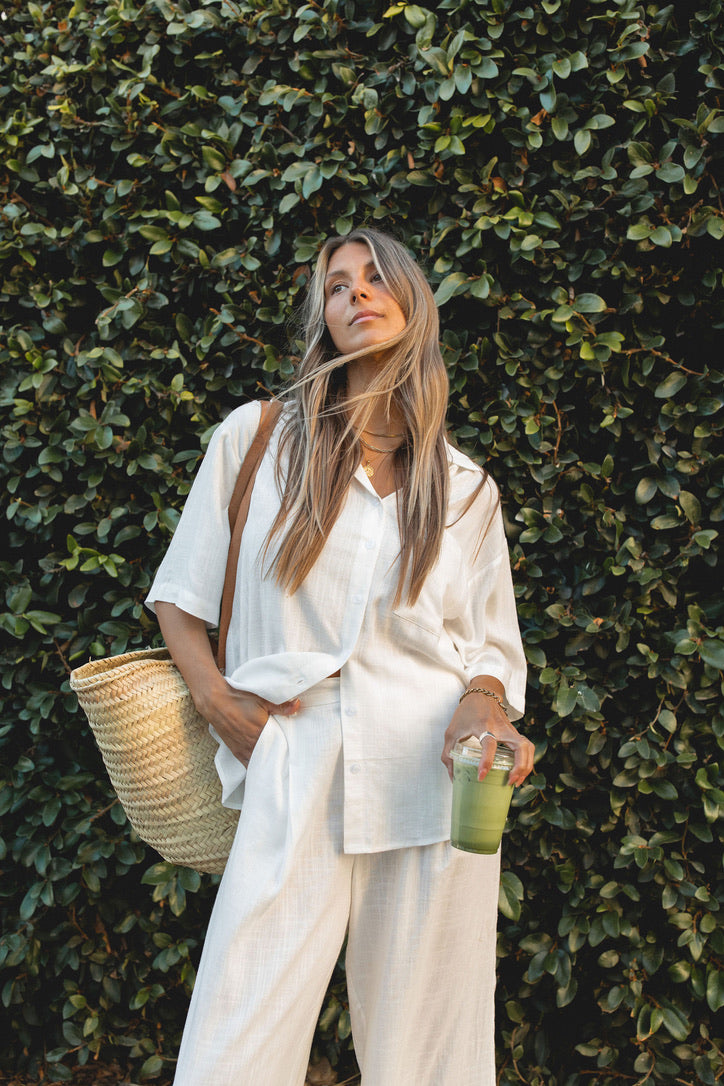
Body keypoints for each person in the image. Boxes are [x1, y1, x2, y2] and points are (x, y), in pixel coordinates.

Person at [146, 227, 534, 1086]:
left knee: (433, 1057)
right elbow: (179, 597)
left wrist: (483, 706)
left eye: (374, 278)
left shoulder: (466, 489)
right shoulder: (259, 440)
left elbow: (491, 647)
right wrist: (216, 702)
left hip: (436, 779)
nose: (355, 292)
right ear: (323, 317)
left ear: (412, 302)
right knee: (236, 1037)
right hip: (293, 758)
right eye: (336, 285)